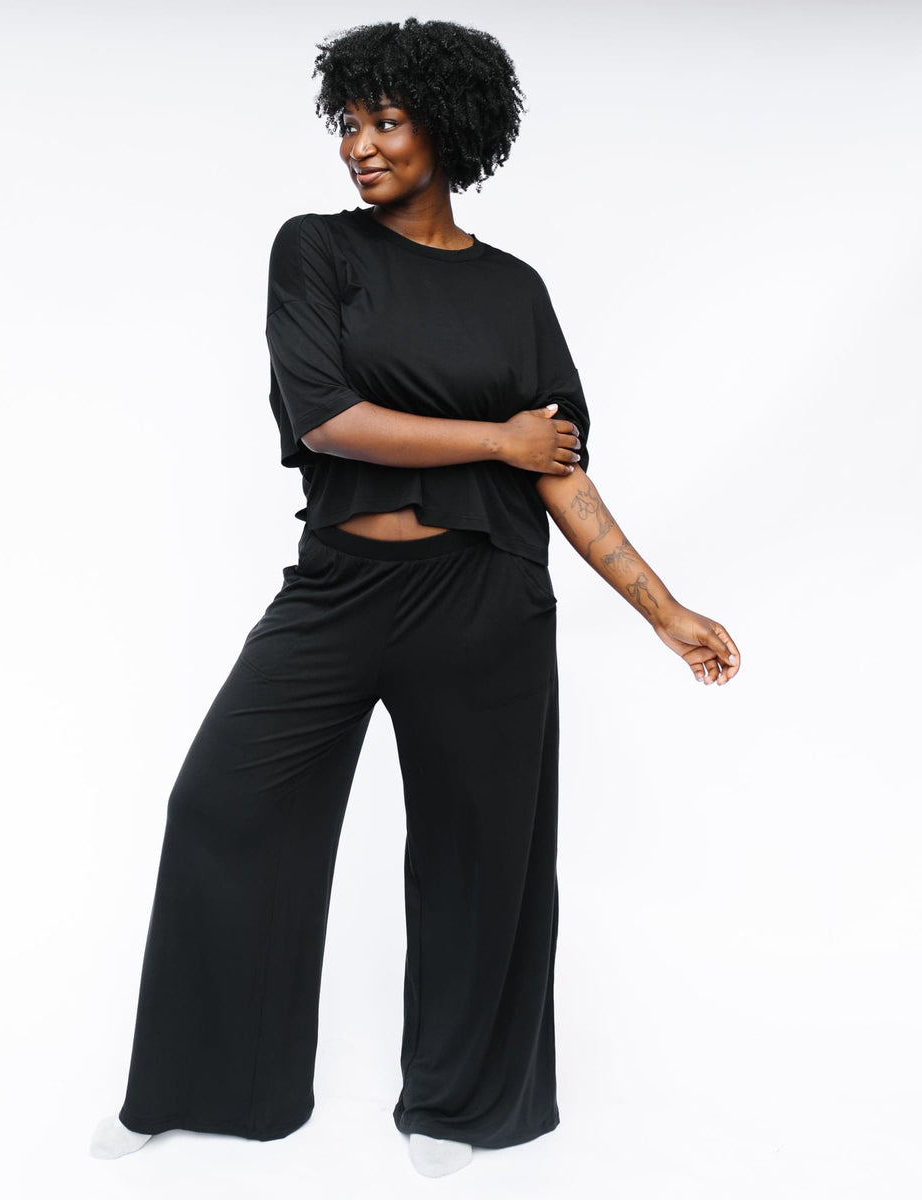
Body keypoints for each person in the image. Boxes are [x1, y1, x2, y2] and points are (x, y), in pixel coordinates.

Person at [91, 17, 741, 1179]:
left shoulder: (514, 290)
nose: (360, 145)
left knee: (484, 857)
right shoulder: (317, 251)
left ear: (449, 127)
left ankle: (460, 1106)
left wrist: (664, 609)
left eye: (385, 121)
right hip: (340, 589)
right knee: (221, 809)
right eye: (348, 123)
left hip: (484, 599)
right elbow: (327, 419)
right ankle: (210, 1090)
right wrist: (496, 436)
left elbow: (561, 473)